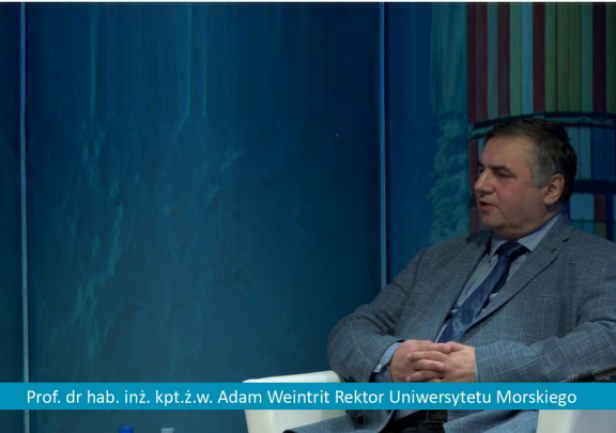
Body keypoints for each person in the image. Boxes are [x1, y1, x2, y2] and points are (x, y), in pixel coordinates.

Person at [290, 118, 616, 433]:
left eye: (501, 174)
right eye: (481, 170)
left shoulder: (598, 260)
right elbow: (351, 328)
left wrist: (483, 368)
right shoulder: (438, 258)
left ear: (551, 189)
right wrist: (390, 359)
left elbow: (606, 342)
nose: (480, 185)